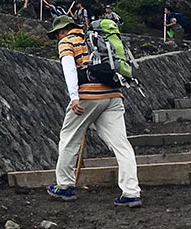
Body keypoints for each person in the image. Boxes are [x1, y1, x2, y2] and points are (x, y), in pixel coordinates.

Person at [45, 15, 142, 207]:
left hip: (88, 97)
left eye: (56, 34)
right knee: (121, 144)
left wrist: (74, 97)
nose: (57, 38)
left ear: (62, 30)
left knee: (69, 138)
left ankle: (64, 186)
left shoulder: (67, 41)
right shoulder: (96, 40)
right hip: (113, 96)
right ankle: (131, 192)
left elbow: (69, 69)